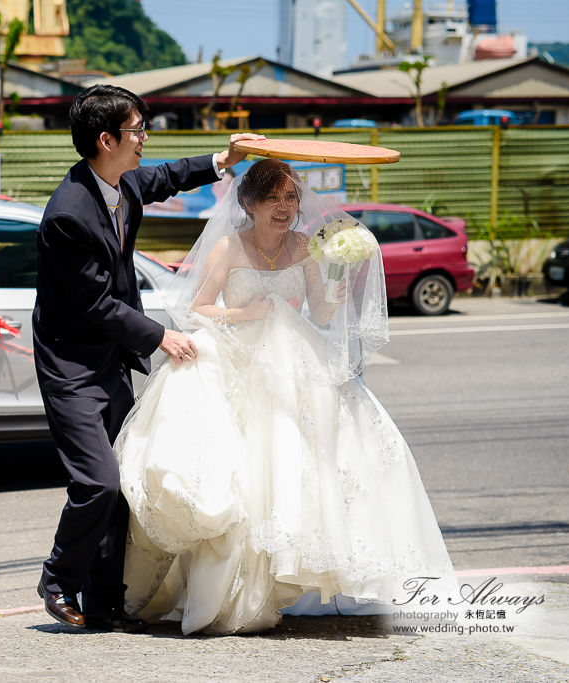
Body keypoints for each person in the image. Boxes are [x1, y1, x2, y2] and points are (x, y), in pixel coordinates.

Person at [114, 159, 457, 635]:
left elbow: (319, 308)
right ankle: (239, 585)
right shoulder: (228, 247)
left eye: (291, 198)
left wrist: (337, 279)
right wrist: (242, 312)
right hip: (238, 357)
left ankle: (300, 571)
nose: (284, 207)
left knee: (316, 455)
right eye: (272, 198)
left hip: (293, 357)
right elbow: (198, 308)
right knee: (245, 468)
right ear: (249, 203)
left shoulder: (307, 248)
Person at [33, 83, 265, 633]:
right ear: (105, 139)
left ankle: (107, 602)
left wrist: (221, 160)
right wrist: (160, 336)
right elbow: (93, 300)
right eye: (137, 129)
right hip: (70, 364)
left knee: (126, 482)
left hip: (109, 358)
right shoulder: (67, 214)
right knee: (99, 484)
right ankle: (58, 580)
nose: (145, 138)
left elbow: (166, 176)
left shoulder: (121, 182)